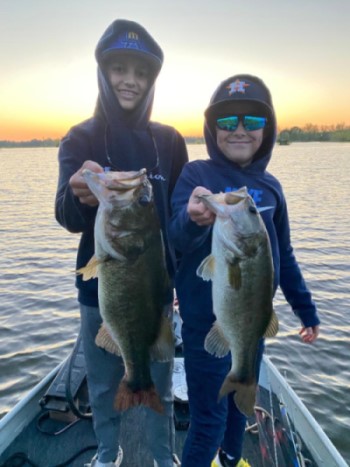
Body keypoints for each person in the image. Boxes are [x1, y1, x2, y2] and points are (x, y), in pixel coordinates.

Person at [55, 19, 188, 467]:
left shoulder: (169, 140)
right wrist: (78, 194)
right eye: (119, 68)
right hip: (101, 290)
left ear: (152, 80)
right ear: (103, 73)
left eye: (141, 71)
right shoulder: (80, 137)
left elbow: (176, 220)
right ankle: (108, 455)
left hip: (157, 292)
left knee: (161, 381)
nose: (130, 79)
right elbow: (66, 216)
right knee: (103, 382)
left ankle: (161, 456)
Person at [169, 74, 320, 467]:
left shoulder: (271, 189)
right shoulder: (196, 176)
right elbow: (175, 238)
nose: (239, 130)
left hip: (253, 325)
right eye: (226, 121)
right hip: (205, 330)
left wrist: (306, 310)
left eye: (252, 122)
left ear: (267, 131)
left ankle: (232, 461)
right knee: (209, 420)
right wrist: (191, 217)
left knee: (240, 410)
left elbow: (283, 255)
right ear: (211, 128)